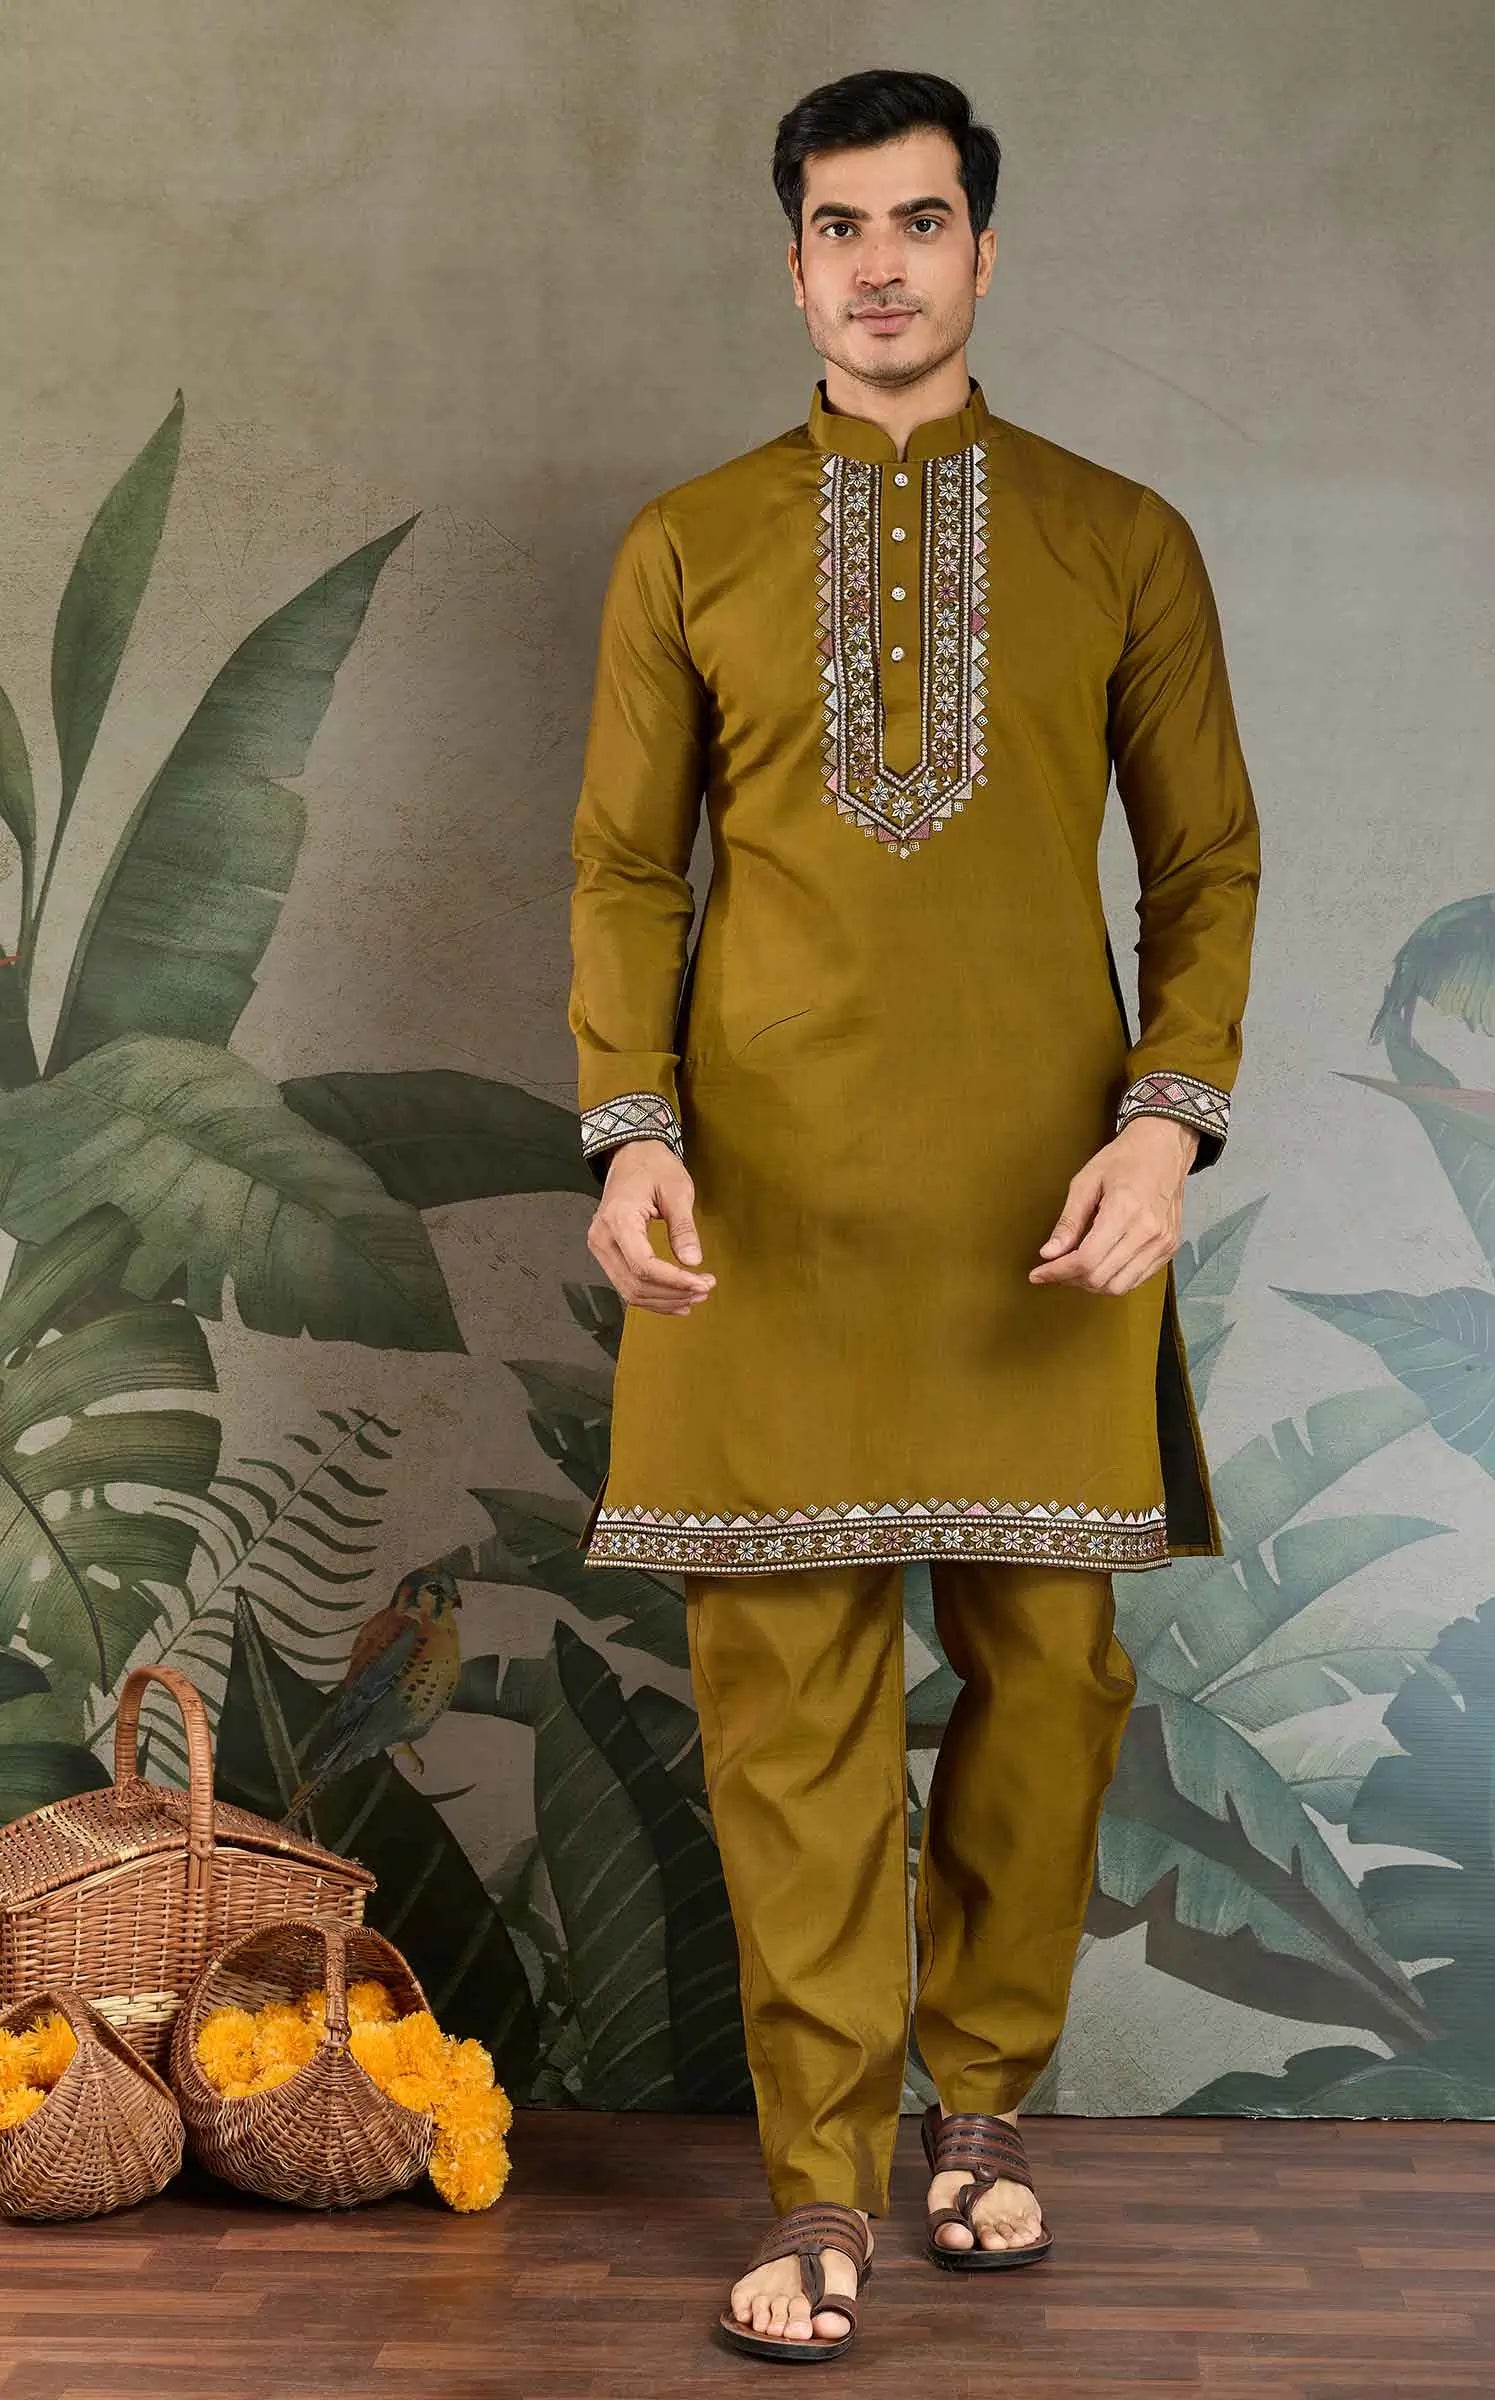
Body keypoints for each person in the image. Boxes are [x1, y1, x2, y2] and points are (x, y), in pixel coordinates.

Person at [568, 66, 1260, 2363]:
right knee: (786, 1696)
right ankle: (818, 2183)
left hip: (1044, 1203)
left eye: (923, 219)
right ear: (794, 268)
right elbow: (626, 865)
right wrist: (631, 1126)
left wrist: (1166, 1127)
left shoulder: (1118, 536)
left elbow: (1207, 858)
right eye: (842, 227)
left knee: (1050, 1679)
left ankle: (985, 2114)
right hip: (762, 1203)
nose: (882, 262)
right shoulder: (688, 543)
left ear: (986, 249)